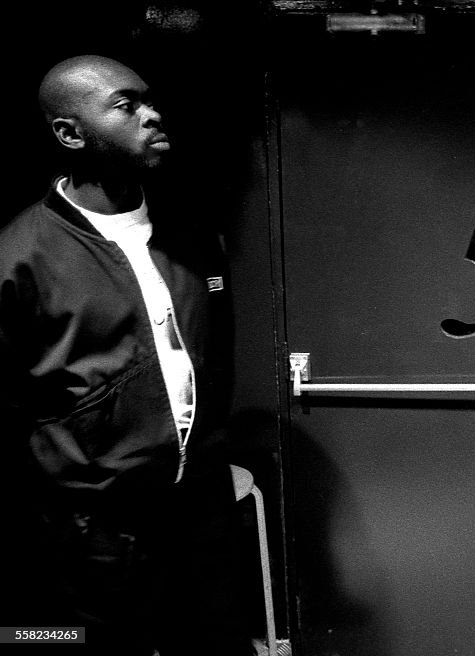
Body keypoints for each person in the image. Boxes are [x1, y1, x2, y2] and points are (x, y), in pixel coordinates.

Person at [0, 55, 251, 655]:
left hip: (199, 510)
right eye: (125, 104)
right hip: (95, 531)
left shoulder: (191, 235)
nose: (152, 114)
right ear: (70, 133)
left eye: (149, 99)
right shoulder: (18, 257)